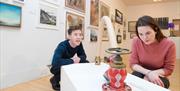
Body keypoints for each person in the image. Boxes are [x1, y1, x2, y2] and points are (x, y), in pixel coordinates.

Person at [129, 15, 176, 89]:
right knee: (132, 83)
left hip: (159, 74)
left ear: (156, 30)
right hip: (141, 71)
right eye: (141, 34)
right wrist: (148, 73)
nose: (144, 38)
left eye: (148, 33)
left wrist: (152, 74)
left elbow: (168, 69)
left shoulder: (169, 44)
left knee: (150, 85)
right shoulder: (136, 41)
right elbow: (133, 64)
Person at [50, 26, 89, 90]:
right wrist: (72, 61)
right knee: (60, 67)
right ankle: (54, 80)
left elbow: (84, 56)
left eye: (80, 35)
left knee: (86, 62)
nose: (79, 37)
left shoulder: (79, 44)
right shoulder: (62, 46)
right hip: (57, 66)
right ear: (69, 36)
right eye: (75, 34)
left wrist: (79, 59)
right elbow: (55, 62)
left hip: (68, 62)